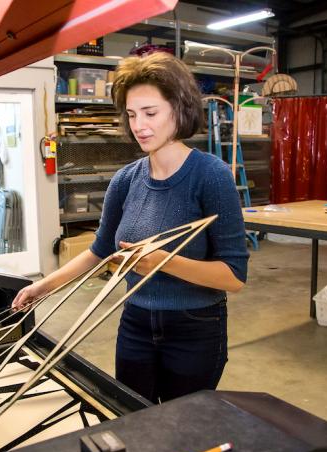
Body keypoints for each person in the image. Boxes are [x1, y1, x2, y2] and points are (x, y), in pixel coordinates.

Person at [13, 52, 249, 403]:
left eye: (150, 113)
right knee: (130, 418)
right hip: (136, 322)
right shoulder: (125, 181)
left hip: (195, 327)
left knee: (180, 428)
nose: (139, 125)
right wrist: (42, 287)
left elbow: (234, 276)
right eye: (132, 115)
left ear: (179, 109)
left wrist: (163, 262)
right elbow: (99, 250)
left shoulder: (210, 176)